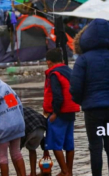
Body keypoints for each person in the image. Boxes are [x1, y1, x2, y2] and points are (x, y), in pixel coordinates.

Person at [70, 18, 109, 176]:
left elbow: (75, 87)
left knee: (95, 147)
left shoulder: (83, 59)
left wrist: (82, 101)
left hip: (92, 109)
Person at [43, 48, 80, 176]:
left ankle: (64, 172)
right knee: (69, 143)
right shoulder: (69, 71)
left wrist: (55, 113)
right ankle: (69, 171)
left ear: (49, 61)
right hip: (71, 111)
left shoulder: (54, 74)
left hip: (60, 113)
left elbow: (57, 95)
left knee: (55, 145)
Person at [21, 107, 49, 176]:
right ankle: (33, 173)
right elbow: (39, 124)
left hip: (28, 129)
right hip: (41, 128)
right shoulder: (28, 109)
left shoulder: (15, 113)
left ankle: (21, 174)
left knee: (16, 153)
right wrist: (45, 149)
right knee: (32, 149)